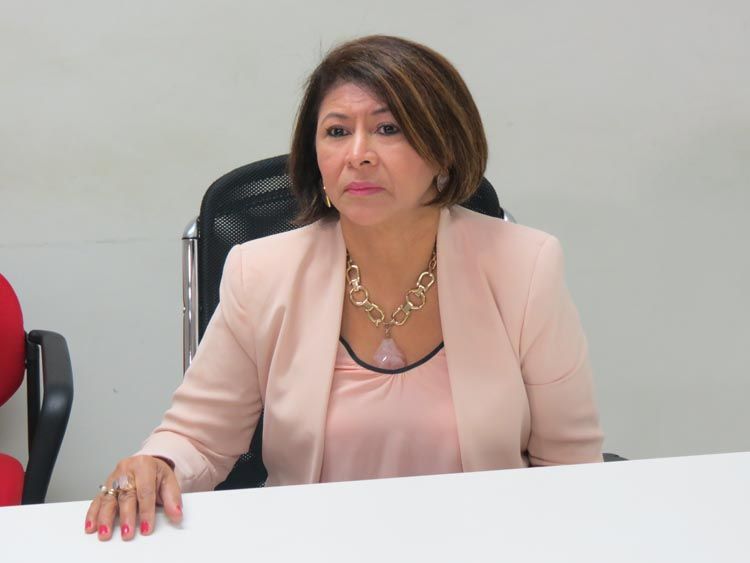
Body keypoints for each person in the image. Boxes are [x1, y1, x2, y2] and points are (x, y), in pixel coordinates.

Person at [85, 35, 604, 541]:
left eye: (388, 128)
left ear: (445, 149)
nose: (358, 154)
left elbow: (569, 462)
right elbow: (198, 436)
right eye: (336, 132)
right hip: (311, 543)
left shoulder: (525, 266)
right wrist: (156, 462)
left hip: (483, 542)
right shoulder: (260, 272)